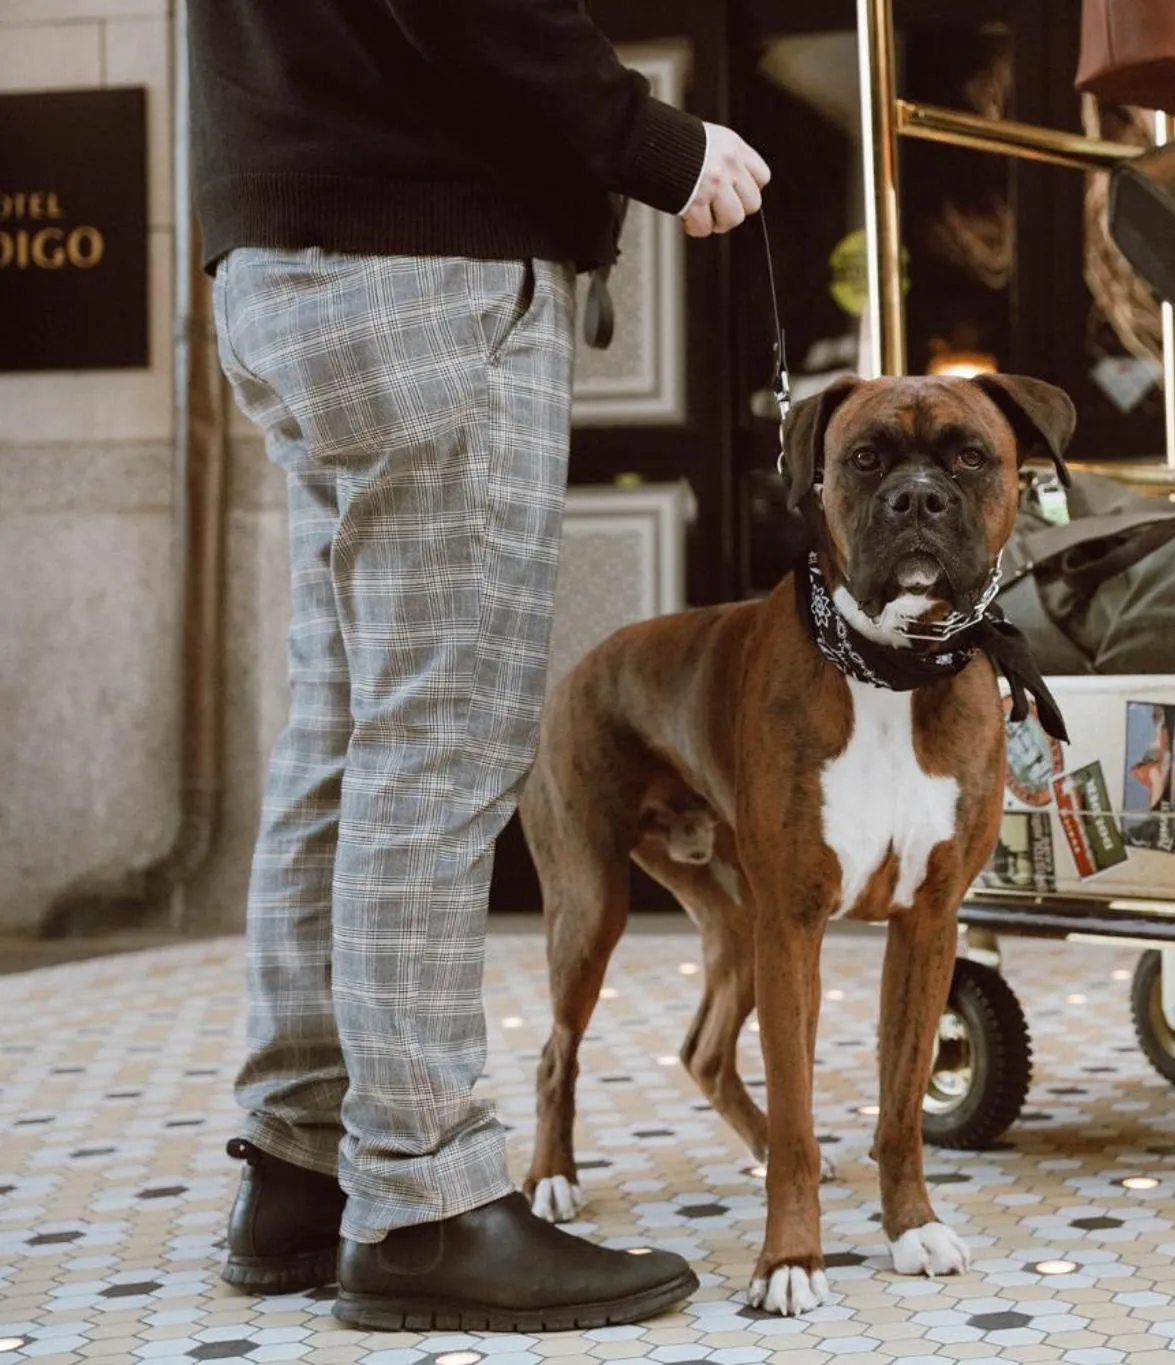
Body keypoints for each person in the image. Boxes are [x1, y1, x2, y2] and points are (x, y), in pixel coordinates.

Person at [189, 0, 770, 1333]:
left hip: (277, 256)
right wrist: (651, 139)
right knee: (437, 738)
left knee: (345, 728)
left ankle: (300, 1166)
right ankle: (425, 1206)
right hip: (426, 269)